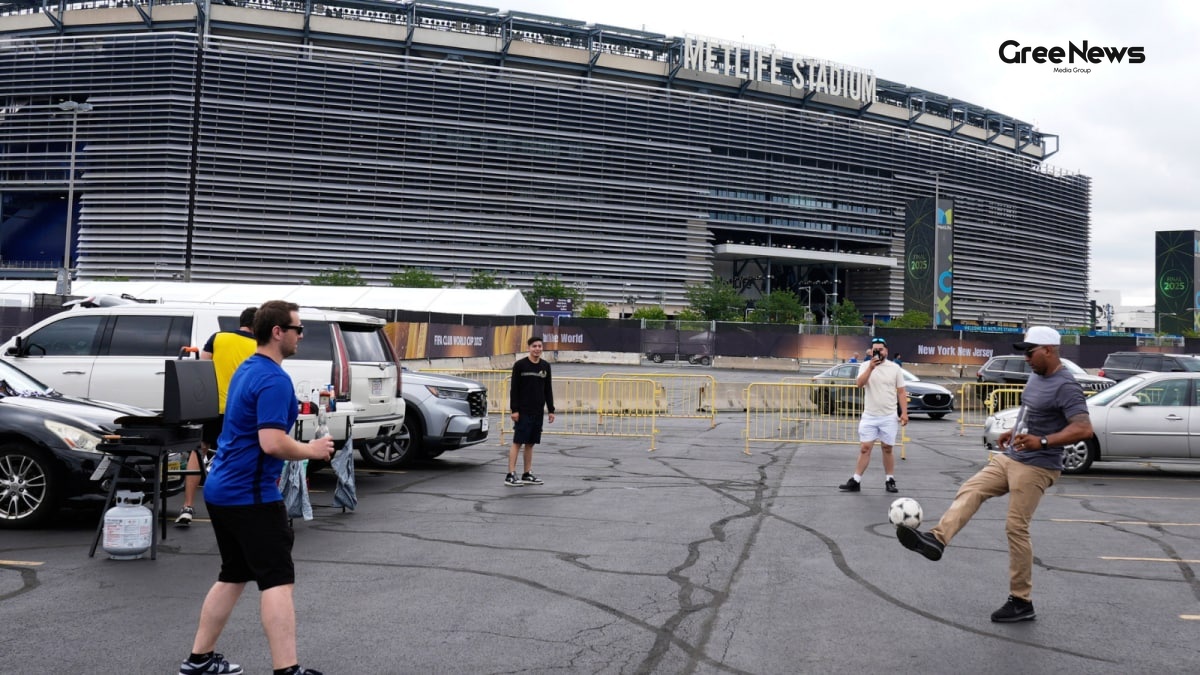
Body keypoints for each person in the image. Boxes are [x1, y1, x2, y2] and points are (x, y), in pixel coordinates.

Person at [895, 326, 1092, 623]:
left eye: (1030, 351)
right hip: (1012, 455)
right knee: (971, 488)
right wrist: (1015, 431)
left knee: (1016, 528)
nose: (1025, 357)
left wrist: (1042, 441)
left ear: (1049, 350)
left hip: (1038, 464)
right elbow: (1035, 414)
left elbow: (1083, 428)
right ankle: (937, 540)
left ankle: (1021, 601)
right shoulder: (1037, 377)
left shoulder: (1066, 385)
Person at [179, 301, 334, 675]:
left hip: (222, 489)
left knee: (232, 574)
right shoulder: (274, 379)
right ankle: (287, 669)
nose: (301, 336)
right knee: (278, 579)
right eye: (297, 329)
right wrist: (311, 450)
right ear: (278, 332)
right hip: (250, 495)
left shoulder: (249, 369)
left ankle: (199, 660)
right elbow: (271, 442)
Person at [177, 307, 258, 527]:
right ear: (257, 324)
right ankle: (234, 507)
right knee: (236, 453)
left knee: (199, 449)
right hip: (239, 410)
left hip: (212, 407)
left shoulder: (218, 338)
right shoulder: (259, 346)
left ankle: (187, 506)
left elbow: (202, 368)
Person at [838, 337, 907, 493]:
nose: (878, 352)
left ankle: (890, 479)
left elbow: (902, 392)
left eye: (880, 349)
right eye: (875, 349)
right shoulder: (864, 366)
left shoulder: (895, 368)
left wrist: (904, 413)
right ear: (871, 351)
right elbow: (859, 384)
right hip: (870, 415)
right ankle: (856, 480)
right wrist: (870, 368)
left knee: (887, 448)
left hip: (888, 415)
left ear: (886, 351)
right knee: (865, 447)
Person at [506, 336, 555, 487]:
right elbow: (514, 389)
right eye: (534, 346)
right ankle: (510, 474)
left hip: (538, 411)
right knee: (518, 442)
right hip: (523, 411)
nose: (537, 349)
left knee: (531, 443)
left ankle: (527, 473)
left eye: (540, 346)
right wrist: (514, 410)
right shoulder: (520, 365)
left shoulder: (545, 366)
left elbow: (548, 389)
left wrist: (551, 410)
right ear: (529, 348)